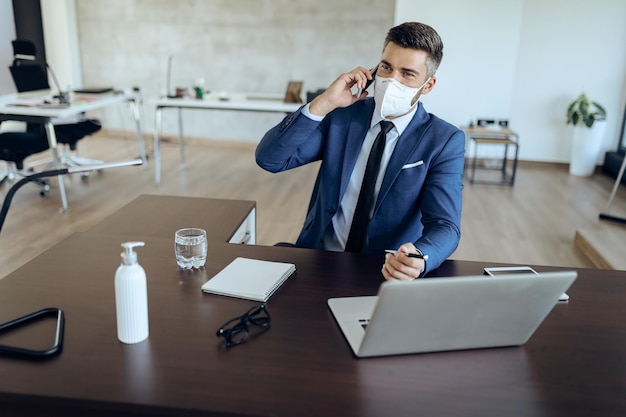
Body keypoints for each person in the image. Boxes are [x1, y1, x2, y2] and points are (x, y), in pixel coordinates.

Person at [256, 22, 464, 281]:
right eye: (386, 67)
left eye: (407, 73)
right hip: (319, 259)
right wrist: (324, 103)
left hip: (385, 271)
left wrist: (420, 257)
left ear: (428, 85)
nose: (391, 80)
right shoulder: (343, 116)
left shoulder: (444, 140)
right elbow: (270, 159)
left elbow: (445, 225)